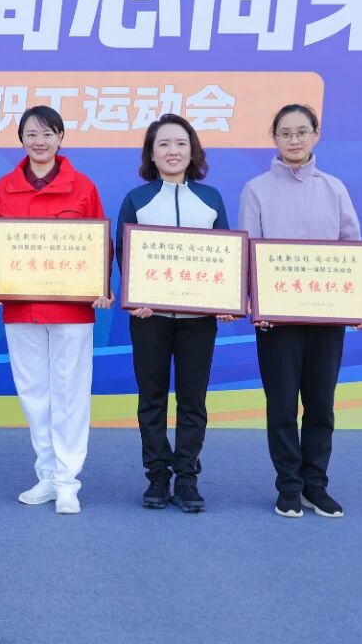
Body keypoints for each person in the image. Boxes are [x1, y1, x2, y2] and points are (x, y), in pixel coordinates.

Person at [238, 103, 362, 519]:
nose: (294, 140)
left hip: (326, 316)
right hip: (275, 318)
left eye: (302, 131)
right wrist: (252, 302)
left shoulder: (334, 188)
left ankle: (316, 484)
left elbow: (351, 248)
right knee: (281, 406)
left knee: (320, 405)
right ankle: (288, 486)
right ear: (274, 138)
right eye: (285, 133)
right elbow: (246, 250)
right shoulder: (256, 189)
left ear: (316, 134)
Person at [0, 106, 111, 515]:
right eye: (31, 135)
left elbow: (100, 246)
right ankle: (47, 475)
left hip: (72, 311)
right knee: (34, 395)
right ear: (21, 140)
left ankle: (68, 482)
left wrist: (100, 288)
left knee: (70, 394)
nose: (39, 142)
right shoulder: (4, 188)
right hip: (21, 309)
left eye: (48, 134)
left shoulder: (83, 187)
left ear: (61, 138)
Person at [115, 113, 233, 514]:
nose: (172, 151)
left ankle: (186, 476)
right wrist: (134, 296)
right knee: (151, 399)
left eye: (181, 143)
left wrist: (226, 300)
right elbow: (124, 254)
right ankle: (157, 475)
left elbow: (225, 257)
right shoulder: (137, 199)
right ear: (151, 153)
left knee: (193, 401)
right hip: (149, 318)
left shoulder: (211, 198)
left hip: (199, 322)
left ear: (193, 151)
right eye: (163, 144)